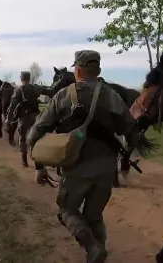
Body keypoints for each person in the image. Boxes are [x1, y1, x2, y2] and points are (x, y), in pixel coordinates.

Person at [26, 50, 142, 263]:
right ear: (98, 70)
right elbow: (133, 133)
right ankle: (95, 254)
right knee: (94, 217)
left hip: (75, 168)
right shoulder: (113, 96)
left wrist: (39, 167)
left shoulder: (63, 96)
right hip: (106, 171)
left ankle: (92, 247)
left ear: (77, 71)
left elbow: (34, 134)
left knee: (67, 210)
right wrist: (121, 159)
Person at [6, 71, 54, 167]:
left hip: (23, 117)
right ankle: (36, 158)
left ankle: (24, 160)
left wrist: (9, 118)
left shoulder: (18, 89)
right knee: (35, 138)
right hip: (36, 117)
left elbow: (12, 105)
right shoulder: (36, 88)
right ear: (29, 78)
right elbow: (50, 91)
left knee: (22, 138)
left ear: (21, 78)